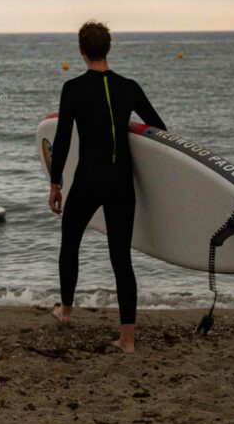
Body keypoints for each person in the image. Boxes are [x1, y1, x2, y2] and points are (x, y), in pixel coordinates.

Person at [48, 21, 167, 353]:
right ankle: (127, 339)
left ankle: (66, 311)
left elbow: (61, 139)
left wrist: (55, 183)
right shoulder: (128, 87)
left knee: (70, 242)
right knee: (121, 259)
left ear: (81, 51)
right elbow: (159, 129)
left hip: (88, 180)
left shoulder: (72, 89)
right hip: (120, 182)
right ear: (109, 48)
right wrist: (130, 127)